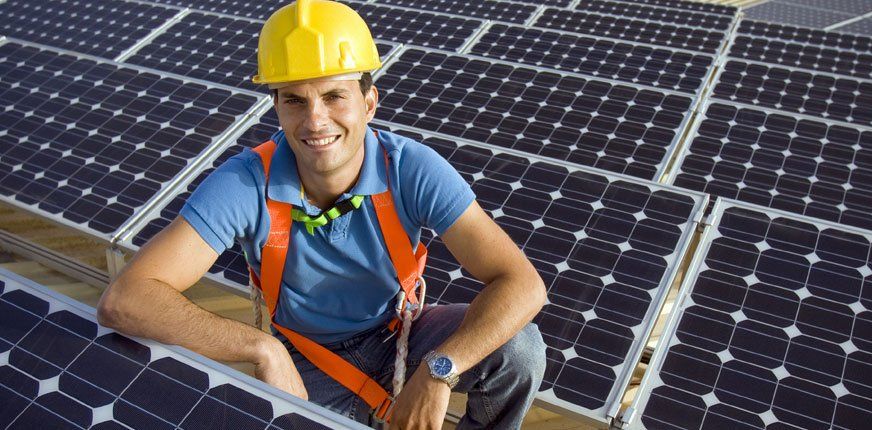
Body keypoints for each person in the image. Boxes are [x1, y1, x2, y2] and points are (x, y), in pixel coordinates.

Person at [96, 0, 547, 428]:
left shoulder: (410, 168)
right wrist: (262, 347)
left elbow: (523, 284)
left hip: (399, 336)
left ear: (369, 103)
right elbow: (125, 300)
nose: (315, 121)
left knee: (520, 348)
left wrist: (439, 371)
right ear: (275, 106)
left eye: (334, 96)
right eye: (294, 99)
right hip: (305, 358)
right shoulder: (244, 184)